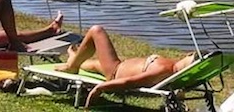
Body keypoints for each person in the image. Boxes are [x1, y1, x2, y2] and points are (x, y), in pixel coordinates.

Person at [55, 25, 196, 107]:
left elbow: (128, 82)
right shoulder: (176, 68)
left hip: (115, 71)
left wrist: (99, 88)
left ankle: (72, 65)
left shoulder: (165, 70)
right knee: (92, 65)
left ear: (190, 55)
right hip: (121, 65)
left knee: (96, 31)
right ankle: (74, 59)